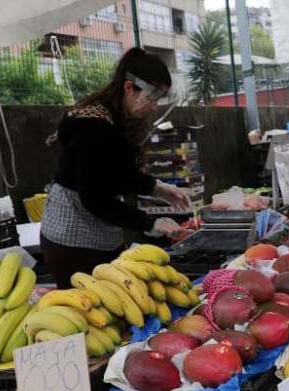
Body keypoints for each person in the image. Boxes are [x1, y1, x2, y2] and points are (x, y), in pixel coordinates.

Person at [40, 48, 189, 289]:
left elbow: (117, 174)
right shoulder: (92, 126)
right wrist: (150, 223)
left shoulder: (116, 121)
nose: (154, 107)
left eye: (158, 100)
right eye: (151, 98)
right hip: (72, 240)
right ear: (129, 88)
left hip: (102, 232)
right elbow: (95, 197)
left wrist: (157, 188)